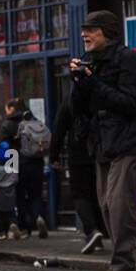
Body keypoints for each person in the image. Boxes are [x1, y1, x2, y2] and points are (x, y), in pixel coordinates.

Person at [71, 10, 136, 271]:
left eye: (91, 30)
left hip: (127, 142)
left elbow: (133, 104)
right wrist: (79, 84)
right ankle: (117, 264)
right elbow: (77, 109)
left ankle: (124, 266)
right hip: (102, 142)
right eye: (84, 30)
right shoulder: (92, 61)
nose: (85, 35)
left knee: (119, 205)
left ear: (107, 32)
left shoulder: (128, 60)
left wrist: (94, 83)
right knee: (105, 206)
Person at [51, 96, 107, 253]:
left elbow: (59, 129)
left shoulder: (70, 100)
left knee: (80, 195)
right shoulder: (98, 96)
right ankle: (100, 234)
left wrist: (54, 155)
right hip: (99, 152)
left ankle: (92, 230)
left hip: (78, 154)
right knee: (97, 194)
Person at [0, 98, 51, 239]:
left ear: (11, 109)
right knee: (36, 195)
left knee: (20, 197)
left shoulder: (7, 124)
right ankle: (39, 217)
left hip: (17, 163)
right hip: (36, 162)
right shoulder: (34, 121)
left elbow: (5, 148)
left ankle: (24, 228)